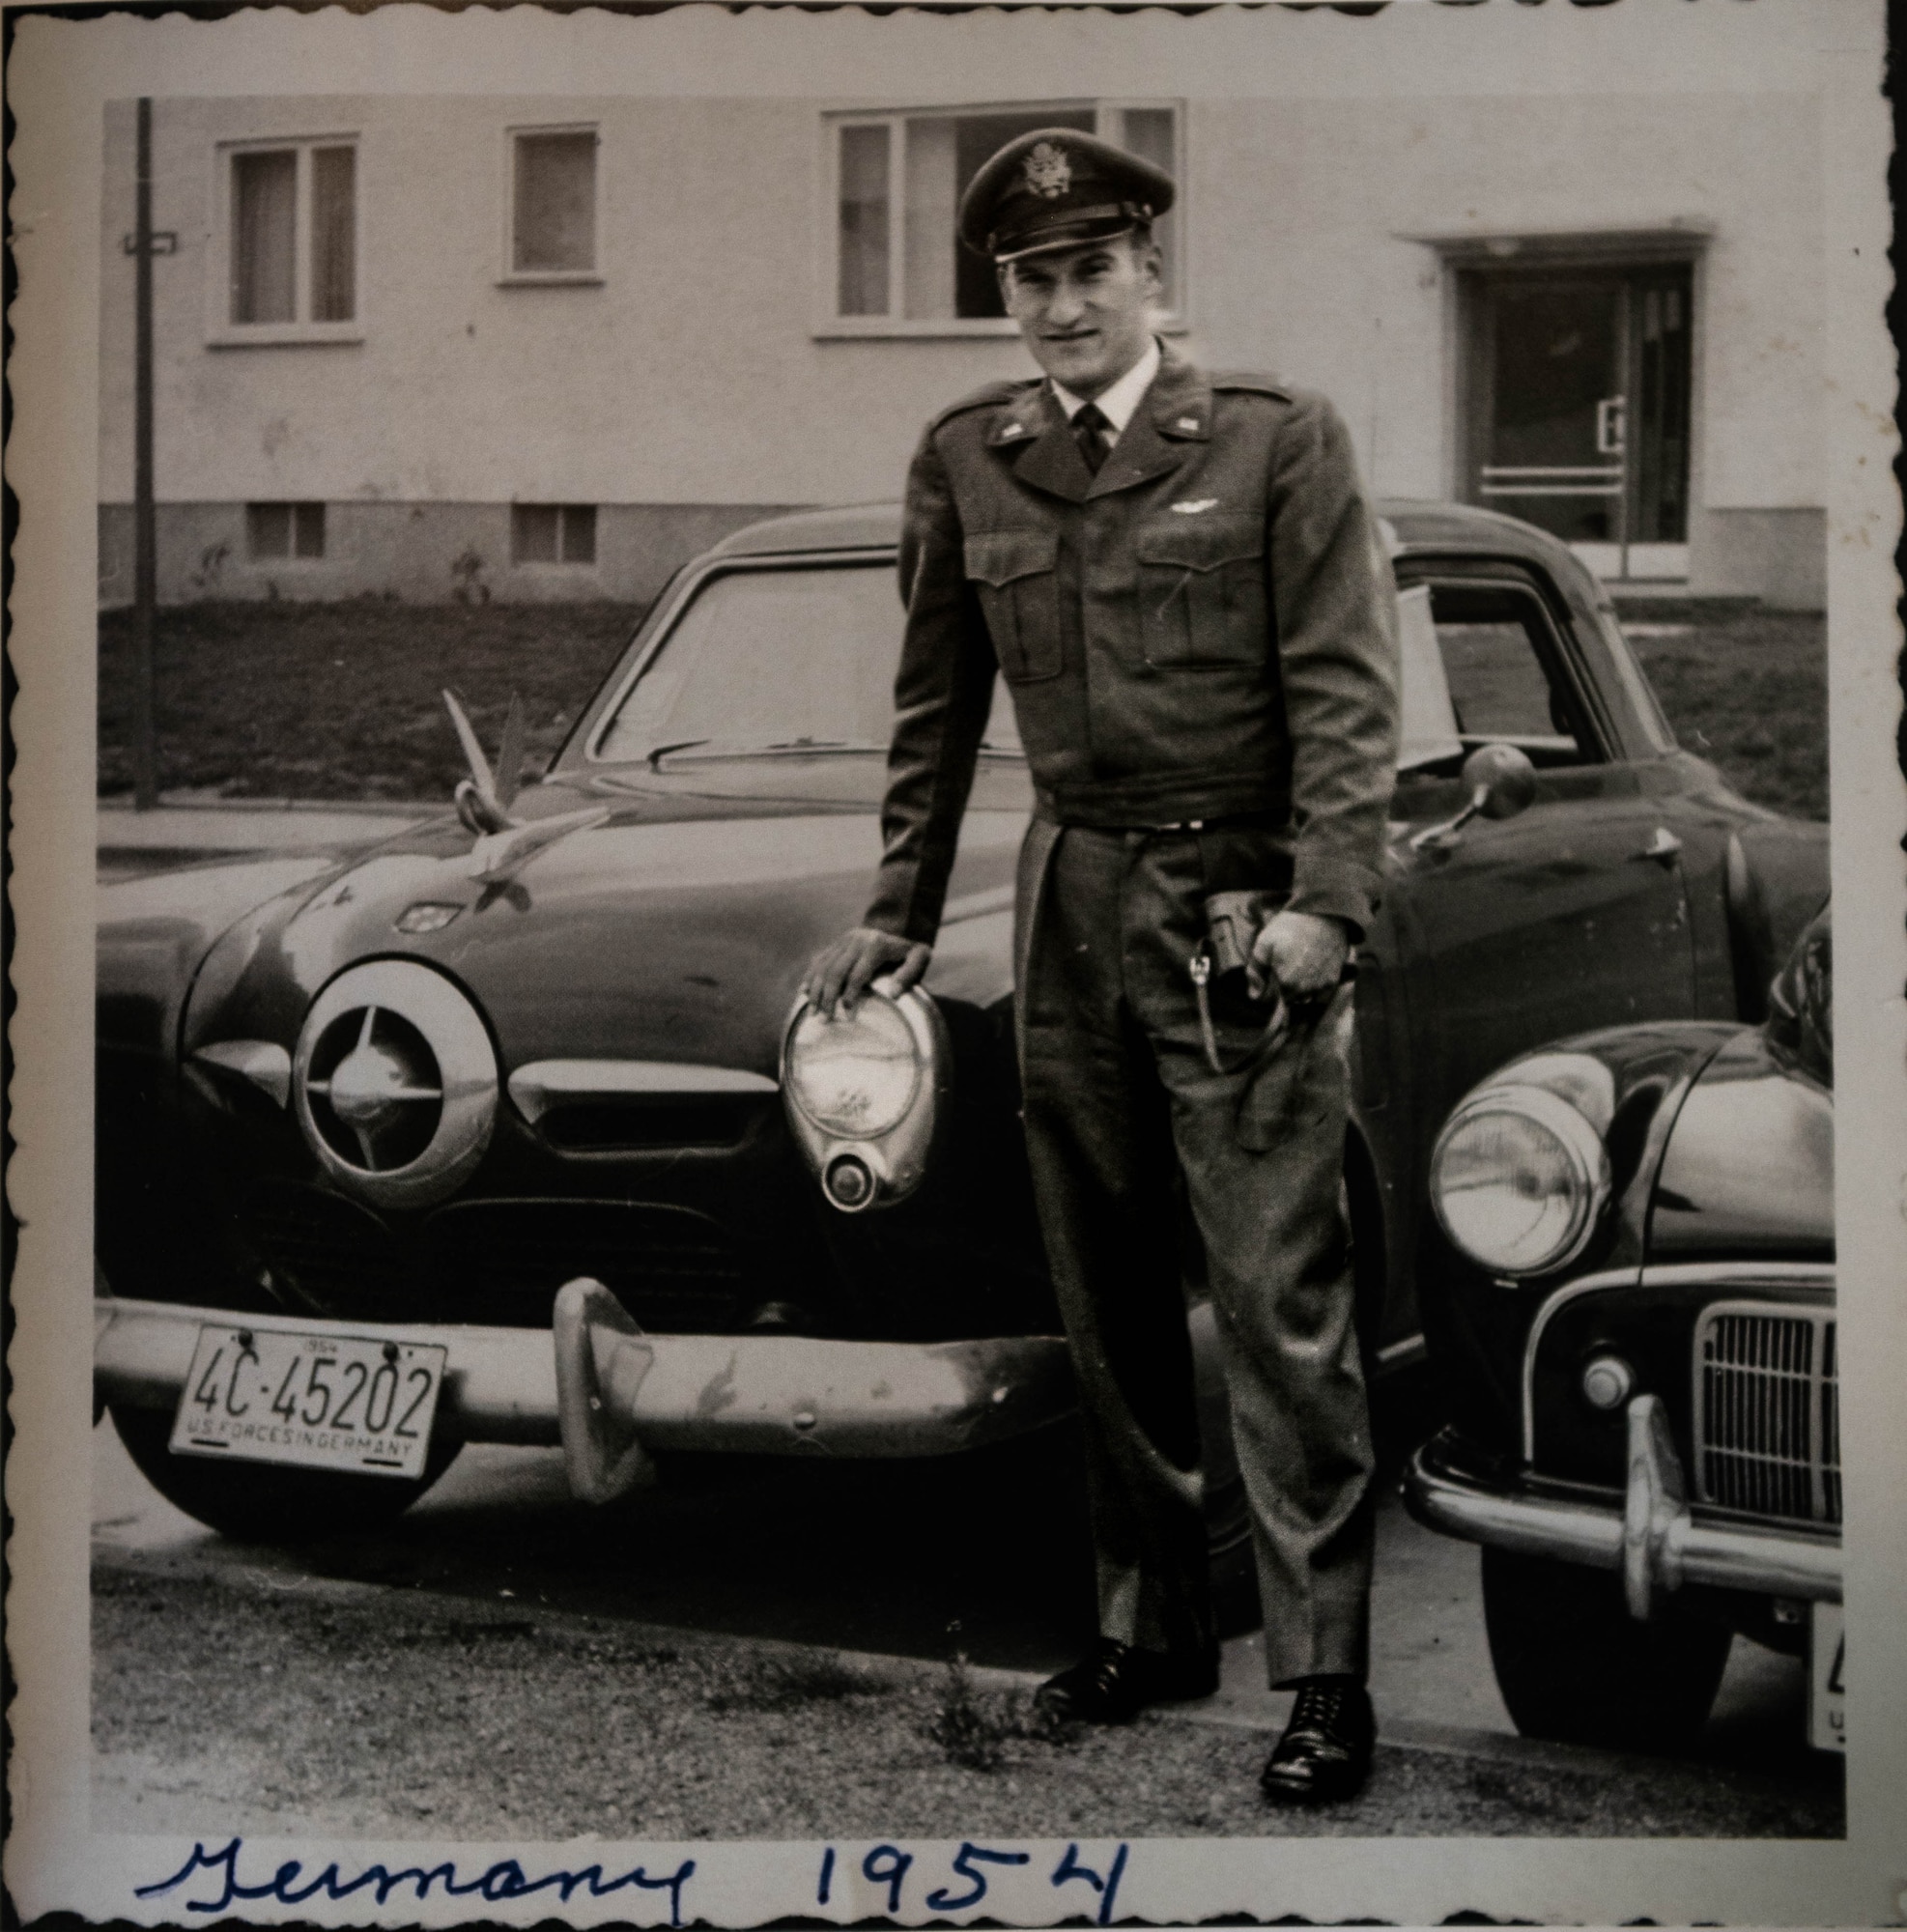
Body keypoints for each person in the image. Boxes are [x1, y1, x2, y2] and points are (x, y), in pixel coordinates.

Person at [803, 128, 1399, 1804]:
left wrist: (1320, 908)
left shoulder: (1276, 443)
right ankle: (1152, 1624)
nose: (1063, 307)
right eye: (1031, 282)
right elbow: (936, 706)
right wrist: (899, 907)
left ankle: (1326, 1674)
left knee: (1280, 1299)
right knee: (1106, 1285)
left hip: (1238, 911)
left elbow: (1348, 699)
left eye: (1089, 272)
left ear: (1152, 278)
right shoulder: (970, 458)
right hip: (1067, 897)